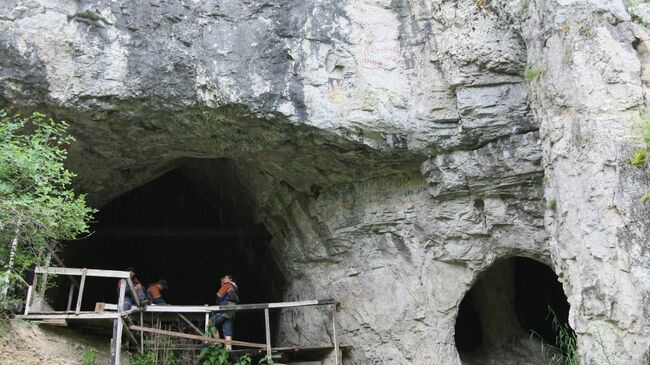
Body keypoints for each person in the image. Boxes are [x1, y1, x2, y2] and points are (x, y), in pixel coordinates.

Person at [210, 274, 239, 350]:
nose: (224, 280)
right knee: (227, 327)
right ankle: (228, 347)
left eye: (226, 278)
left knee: (211, 322)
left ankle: (217, 342)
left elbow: (219, 296)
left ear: (230, 280)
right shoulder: (235, 287)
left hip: (226, 308)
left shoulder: (227, 285)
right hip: (232, 310)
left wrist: (222, 286)